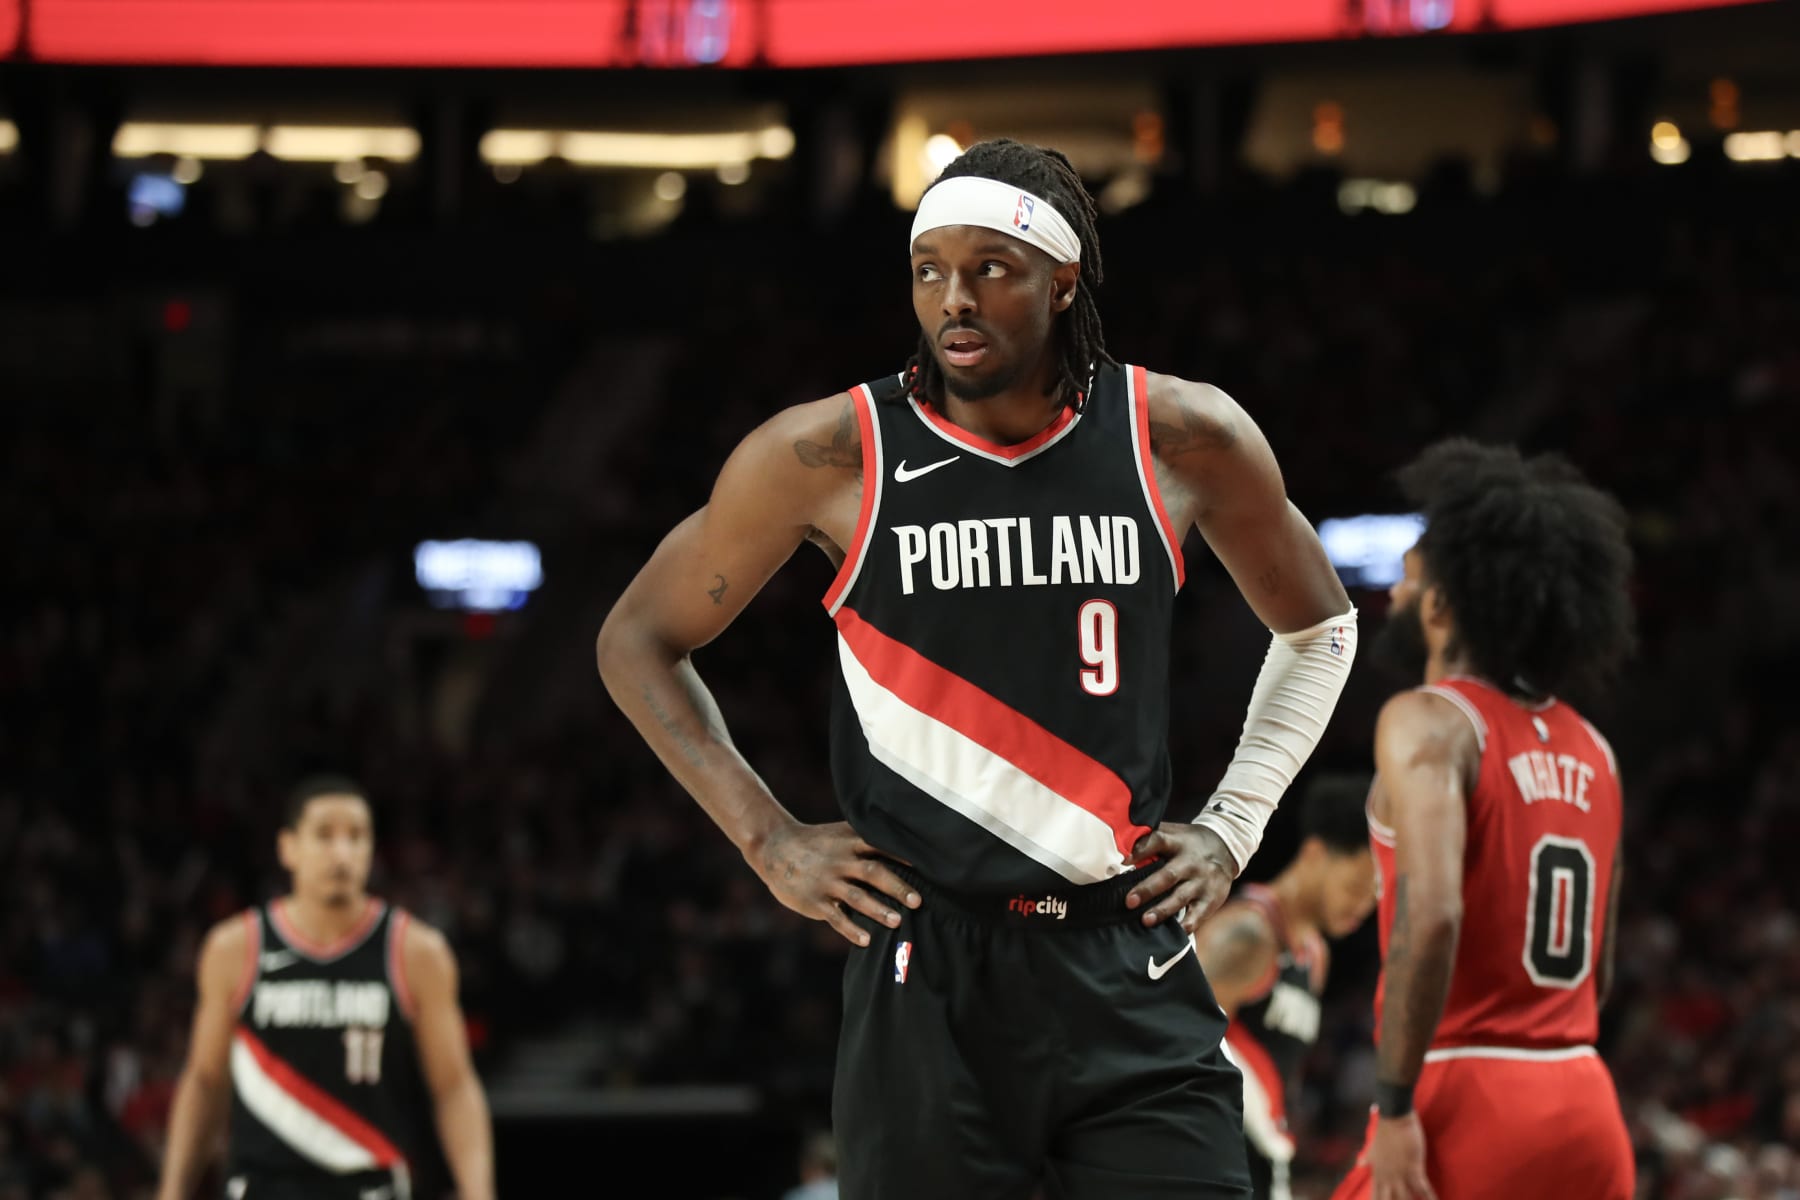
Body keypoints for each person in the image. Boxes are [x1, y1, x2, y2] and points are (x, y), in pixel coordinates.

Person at [597, 138, 1359, 1198]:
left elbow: (1323, 628)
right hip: (930, 970)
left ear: (1063, 281)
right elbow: (636, 638)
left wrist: (1235, 825)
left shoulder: (1179, 436)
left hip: (1126, 950)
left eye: (990, 268)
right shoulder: (831, 454)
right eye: (929, 270)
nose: (954, 298)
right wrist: (767, 839)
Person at [1330, 440, 1637, 1200]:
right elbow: (1599, 970)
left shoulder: (1429, 720)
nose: (1394, 594)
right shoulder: (1597, 751)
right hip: (1584, 1096)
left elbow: (1433, 915)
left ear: (1440, 606)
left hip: (1468, 1095)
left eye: (1407, 580)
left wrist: (1395, 1105)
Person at [155, 776, 495, 1200]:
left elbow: (454, 1086)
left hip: (370, 1186)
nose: (342, 852)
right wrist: (171, 1191)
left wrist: (479, 1191)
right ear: (288, 848)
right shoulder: (237, 947)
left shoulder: (416, 952)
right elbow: (205, 1081)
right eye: (324, 835)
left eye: (356, 836)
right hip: (262, 1187)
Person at [1197, 772, 1378, 1200]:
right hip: (1214, 1156)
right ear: (1315, 853)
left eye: (1374, 897)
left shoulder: (1315, 955)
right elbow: (1177, 1047)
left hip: (1264, 1157)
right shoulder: (1247, 934)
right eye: (1356, 886)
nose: (1362, 906)